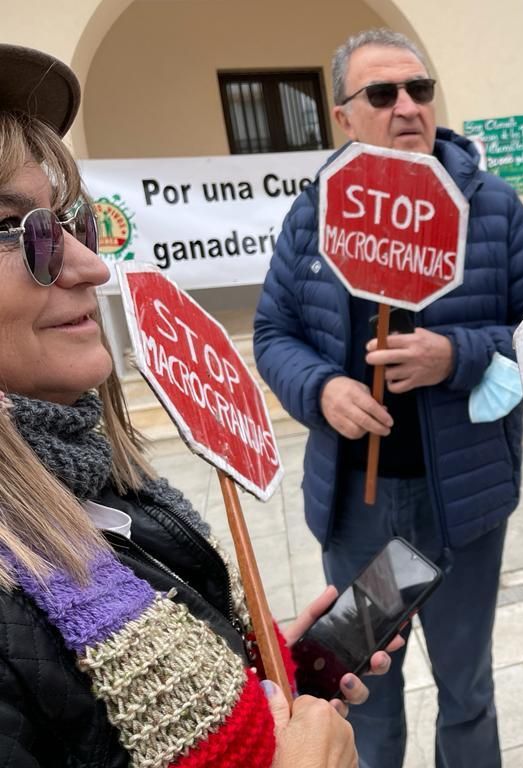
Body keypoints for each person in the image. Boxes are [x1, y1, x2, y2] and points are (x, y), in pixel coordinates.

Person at [0, 43, 396, 767]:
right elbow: (276, 333)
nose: (94, 265)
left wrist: (247, 661)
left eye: (73, 225)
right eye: (30, 236)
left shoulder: (99, 475)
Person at [253, 28, 523, 768]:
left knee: (467, 693)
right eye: (382, 94)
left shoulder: (491, 207)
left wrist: (458, 355)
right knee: (362, 698)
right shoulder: (315, 211)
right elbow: (273, 332)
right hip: (363, 516)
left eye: (419, 90)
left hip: (463, 510)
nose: (407, 107)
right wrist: (321, 390)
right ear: (344, 116)